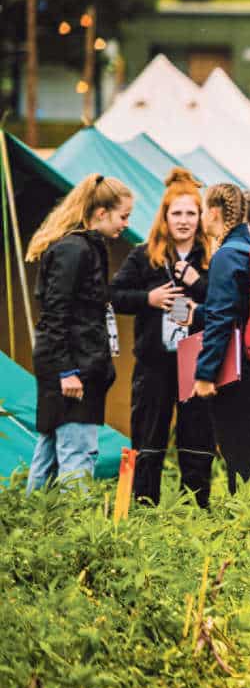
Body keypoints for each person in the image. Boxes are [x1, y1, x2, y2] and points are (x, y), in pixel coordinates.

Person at [109, 169, 215, 507]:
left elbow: (228, 305)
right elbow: (113, 295)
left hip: (196, 360)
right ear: (165, 217)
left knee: (197, 437)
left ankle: (195, 509)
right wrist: (149, 299)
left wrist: (198, 283)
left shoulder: (212, 258)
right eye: (177, 213)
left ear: (200, 217)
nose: (183, 221)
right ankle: (143, 507)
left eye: (190, 213)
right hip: (154, 360)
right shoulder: (144, 255)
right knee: (148, 435)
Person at [25, 174, 134, 492]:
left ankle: (32, 518)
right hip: (74, 371)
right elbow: (56, 313)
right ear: (101, 213)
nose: (126, 224)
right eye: (123, 216)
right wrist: (67, 371)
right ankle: (72, 522)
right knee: (78, 455)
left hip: (75, 366)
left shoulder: (84, 248)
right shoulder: (75, 250)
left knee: (48, 456)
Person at [191, 184, 250, 505]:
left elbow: (221, 317)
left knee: (238, 453)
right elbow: (242, 307)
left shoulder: (227, 255)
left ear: (214, 212)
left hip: (238, 370)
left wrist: (205, 373)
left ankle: (243, 521)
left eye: (202, 211)